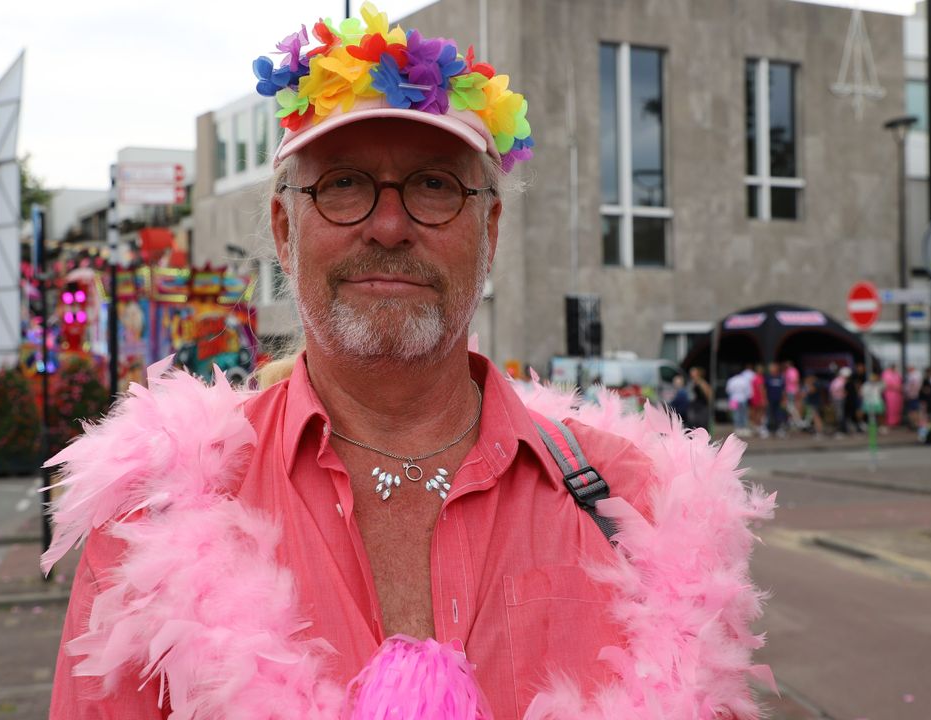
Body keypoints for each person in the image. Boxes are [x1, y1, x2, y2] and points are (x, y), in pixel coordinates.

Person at [42, 6, 772, 719]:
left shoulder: (640, 510)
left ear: (489, 229)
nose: (388, 227)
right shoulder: (158, 514)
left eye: (433, 184)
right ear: (284, 229)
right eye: (343, 184)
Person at [725, 367, 752, 437]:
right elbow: (748, 391)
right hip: (743, 399)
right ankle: (744, 428)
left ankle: (737, 428)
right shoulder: (744, 380)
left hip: (734, 399)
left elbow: (728, 391)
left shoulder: (731, 380)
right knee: (743, 414)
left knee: (736, 414)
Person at [764, 362, 786, 437]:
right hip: (770, 399)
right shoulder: (768, 378)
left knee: (778, 414)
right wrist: (765, 399)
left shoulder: (780, 378)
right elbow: (764, 389)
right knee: (769, 414)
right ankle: (768, 429)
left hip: (778, 399)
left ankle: (778, 429)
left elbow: (783, 390)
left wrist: (784, 399)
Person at [881, 364, 903, 428]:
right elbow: (885, 383)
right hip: (890, 393)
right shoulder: (886, 373)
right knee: (890, 408)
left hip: (898, 394)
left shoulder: (896, 374)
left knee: (897, 408)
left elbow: (900, 382)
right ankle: (890, 422)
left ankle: (896, 421)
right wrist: (895, 387)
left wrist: (899, 387)